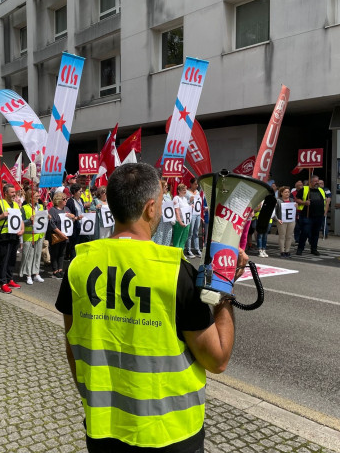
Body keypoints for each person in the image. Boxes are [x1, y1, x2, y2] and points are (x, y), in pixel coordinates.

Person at [55, 163, 245, 452]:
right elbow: (217, 359)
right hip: (170, 433)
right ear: (151, 208)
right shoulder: (175, 271)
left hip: (103, 426)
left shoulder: (78, 266)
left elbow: (74, 346)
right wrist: (224, 290)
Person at [0, 184, 23, 293]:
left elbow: (20, 219)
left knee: (12, 259)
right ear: (6, 193)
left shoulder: (16, 205)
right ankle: (2, 282)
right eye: (12, 192)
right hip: (3, 236)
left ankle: (9, 278)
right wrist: (2, 216)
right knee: (3, 260)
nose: (14, 194)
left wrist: (22, 229)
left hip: (14, 236)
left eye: (14, 192)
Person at [295, 175, 326, 256]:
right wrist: (304, 203)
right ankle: (300, 249)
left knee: (315, 234)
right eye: (315, 181)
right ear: (310, 182)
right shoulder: (304, 189)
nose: (317, 183)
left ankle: (314, 249)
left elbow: (325, 201)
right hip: (307, 216)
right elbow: (297, 199)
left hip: (318, 216)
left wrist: (324, 212)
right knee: (305, 232)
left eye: (318, 181)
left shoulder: (321, 190)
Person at [19, 188, 45, 284]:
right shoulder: (24, 208)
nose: (38, 196)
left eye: (38, 195)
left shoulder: (41, 206)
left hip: (39, 234)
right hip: (29, 235)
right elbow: (21, 222)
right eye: (36, 195)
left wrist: (48, 217)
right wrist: (29, 220)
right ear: (30, 197)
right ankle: (28, 275)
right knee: (28, 255)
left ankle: (36, 273)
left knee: (37, 255)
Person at [47, 191, 74, 279]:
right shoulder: (53, 210)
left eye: (66, 199)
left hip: (65, 235)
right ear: (58, 201)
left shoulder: (66, 209)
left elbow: (72, 219)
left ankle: (60, 269)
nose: (66, 200)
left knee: (62, 253)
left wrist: (72, 216)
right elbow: (52, 224)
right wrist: (60, 233)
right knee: (55, 253)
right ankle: (55, 270)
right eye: (64, 199)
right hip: (56, 235)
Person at [65, 183, 86, 260]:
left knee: (81, 245)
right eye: (80, 191)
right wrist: (76, 218)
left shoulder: (81, 200)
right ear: (75, 192)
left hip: (82, 226)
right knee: (74, 246)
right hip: (75, 227)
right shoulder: (70, 201)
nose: (81, 193)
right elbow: (68, 214)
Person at [151, 180, 175, 246]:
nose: (167, 187)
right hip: (161, 220)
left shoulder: (168, 196)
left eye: (167, 186)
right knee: (159, 236)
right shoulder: (157, 197)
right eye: (165, 186)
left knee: (168, 235)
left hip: (168, 220)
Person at [184, 178, 204, 258]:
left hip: (198, 214)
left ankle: (197, 249)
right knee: (190, 232)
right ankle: (188, 250)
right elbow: (183, 203)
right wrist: (189, 201)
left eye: (197, 184)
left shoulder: (198, 192)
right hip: (191, 215)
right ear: (191, 184)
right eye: (195, 184)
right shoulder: (187, 193)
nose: (197, 185)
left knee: (196, 232)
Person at [275, 186, 296, 257]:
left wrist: (296, 207)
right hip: (282, 221)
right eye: (285, 192)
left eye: (288, 192)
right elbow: (274, 211)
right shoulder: (278, 200)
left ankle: (287, 251)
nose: (287, 193)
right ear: (281, 193)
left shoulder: (292, 200)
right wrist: (277, 219)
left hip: (291, 220)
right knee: (282, 236)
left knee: (289, 236)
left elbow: (294, 210)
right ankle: (282, 251)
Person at [172, 183, 191, 249]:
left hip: (186, 221)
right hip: (179, 222)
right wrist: (180, 221)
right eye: (183, 190)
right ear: (179, 191)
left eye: (185, 190)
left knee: (183, 239)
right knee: (177, 239)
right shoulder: (176, 198)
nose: (185, 191)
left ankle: (181, 254)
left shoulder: (185, 199)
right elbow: (176, 211)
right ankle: (176, 254)